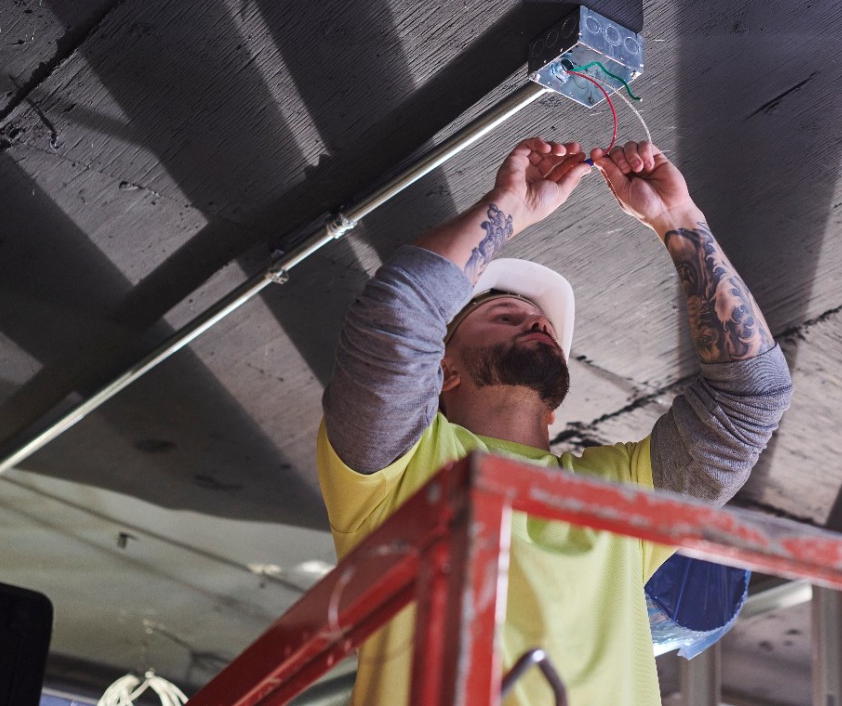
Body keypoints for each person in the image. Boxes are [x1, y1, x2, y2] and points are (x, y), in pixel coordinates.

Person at [318, 137, 793, 705]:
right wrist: (510, 211)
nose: (534, 320)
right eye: (503, 314)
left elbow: (752, 399)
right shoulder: (398, 465)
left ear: (555, 403)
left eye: (540, 321)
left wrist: (678, 219)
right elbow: (399, 317)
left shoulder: (620, 491)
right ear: (441, 371)